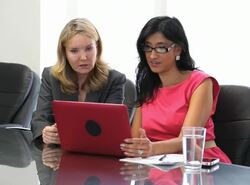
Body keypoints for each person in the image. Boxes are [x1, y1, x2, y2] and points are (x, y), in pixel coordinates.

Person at [120, 16, 231, 163]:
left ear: (178, 49)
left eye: (161, 48)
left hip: (198, 163)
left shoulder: (201, 83)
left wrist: (151, 148)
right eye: (147, 47)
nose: (152, 55)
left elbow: (187, 141)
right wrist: (138, 147)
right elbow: (135, 140)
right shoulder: (147, 85)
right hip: (156, 165)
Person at [31, 18, 126, 144]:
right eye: (74, 51)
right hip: (58, 155)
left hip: (97, 154)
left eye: (88, 48)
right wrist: (46, 132)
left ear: (97, 47)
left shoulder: (114, 80)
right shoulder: (51, 76)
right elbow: (39, 119)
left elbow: (113, 129)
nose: (83, 57)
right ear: (64, 52)